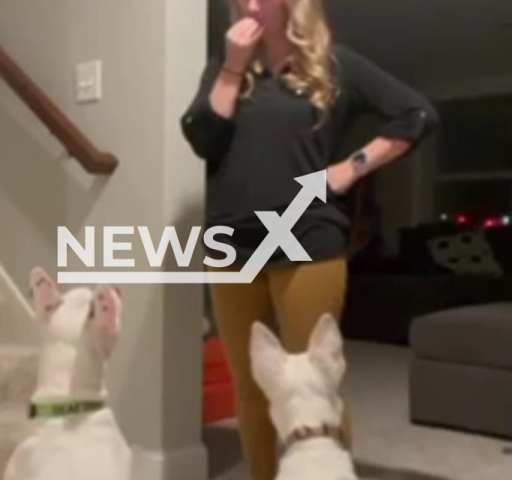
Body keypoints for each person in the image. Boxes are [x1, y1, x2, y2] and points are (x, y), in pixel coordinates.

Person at [180, 0, 439, 479]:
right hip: (232, 245)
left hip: (308, 238)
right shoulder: (225, 65)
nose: (248, 4)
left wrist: (349, 168)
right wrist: (234, 70)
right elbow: (203, 139)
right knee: (252, 387)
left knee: (318, 385)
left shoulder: (335, 65)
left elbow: (416, 114)